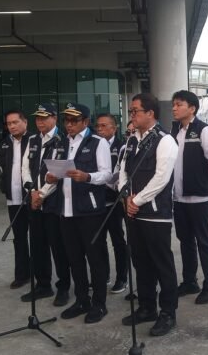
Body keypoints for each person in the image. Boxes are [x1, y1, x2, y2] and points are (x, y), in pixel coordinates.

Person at [45, 103, 113, 323]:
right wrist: (51, 177)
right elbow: (57, 170)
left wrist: (88, 177)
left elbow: (107, 175)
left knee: (95, 258)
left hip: (89, 211)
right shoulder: (62, 142)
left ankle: (99, 303)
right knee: (74, 258)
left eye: (74, 120)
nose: (70, 125)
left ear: (85, 122)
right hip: (66, 210)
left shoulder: (97, 142)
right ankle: (82, 299)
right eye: (67, 120)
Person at [118, 93, 179, 337]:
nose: (131, 115)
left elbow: (162, 178)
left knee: (161, 264)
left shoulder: (165, 141)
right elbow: (122, 170)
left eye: (135, 111)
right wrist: (125, 197)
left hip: (155, 214)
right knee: (140, 262)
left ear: (150, 113)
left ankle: (168, 312)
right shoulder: (133, 139)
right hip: (133, 212)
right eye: (131, 111)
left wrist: (137, 200)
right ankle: (146, 306)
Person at [170, 90, 208, 304]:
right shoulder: (175, 132)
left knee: (203, 242)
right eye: (173, 104)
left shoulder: (203, 130)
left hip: (199, 199)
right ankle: (190, 281)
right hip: (178, 199)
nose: (174, 108)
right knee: (185, 242)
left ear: (192, 108)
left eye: (179, 104)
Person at [21, 103, 71, 306]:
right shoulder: (32, 139)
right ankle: (43, 285)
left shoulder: (63, 140)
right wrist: (31, 191)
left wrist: (41, 194)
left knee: (58, 247)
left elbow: (58, 174)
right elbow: (25, 167)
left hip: (53, 202)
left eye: (45, 117)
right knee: (38, 245)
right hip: (33, 201)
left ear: (54, 118)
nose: (40, 121)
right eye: (37, 118)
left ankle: (64, 287)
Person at [94, 113, 129, 294]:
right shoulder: (92, 145)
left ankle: (122, 278)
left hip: (115, 202)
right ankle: (103, 275)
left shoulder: (122, 147)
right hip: (97, 202)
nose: (99, 129)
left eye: (104, 126)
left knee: (117, 240)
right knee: (98, 242)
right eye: (98, 126)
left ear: (113, 128)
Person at [0, 110, 31, 290]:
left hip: (32, 198)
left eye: (15, 122)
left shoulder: (34, 141)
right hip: (13, 199)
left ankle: (41, 276)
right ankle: (22, 274)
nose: (12, 126)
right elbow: (2, 169)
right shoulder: (4, 144)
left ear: (25, 122)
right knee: (19, 238)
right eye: (9, 123)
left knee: (38, 239)